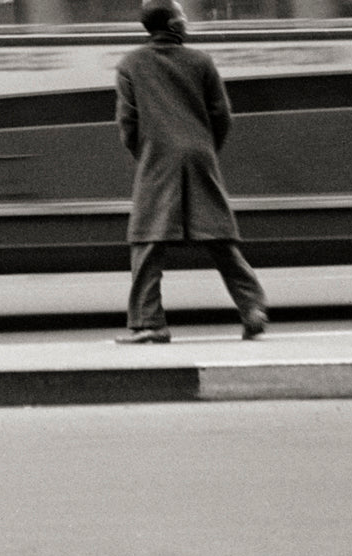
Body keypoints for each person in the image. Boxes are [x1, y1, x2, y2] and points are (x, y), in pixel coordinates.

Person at [114, 0, 267, 344]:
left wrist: (147, 152)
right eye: (182, 16)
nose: (186, 21)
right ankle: (252, 307)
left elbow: (127, 123)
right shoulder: (201, 61)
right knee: (219, 238)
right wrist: (204, 146)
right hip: (199, 155)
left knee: (148, 241)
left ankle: (150, 322)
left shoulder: (130, 64)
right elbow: (222, 114)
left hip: (158, 157)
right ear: (172, 24)